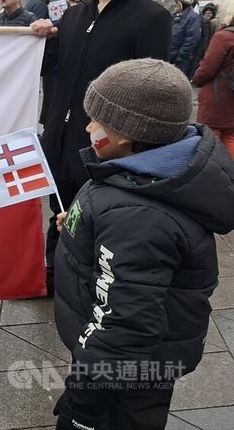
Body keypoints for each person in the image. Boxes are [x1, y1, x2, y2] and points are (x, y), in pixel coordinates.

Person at [53, 58, 234, 430]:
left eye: (96, 121)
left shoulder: (137, 216)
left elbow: (125, 320)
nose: (88, 128)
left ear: (126, 134)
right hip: (127, 360)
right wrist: (79, 226)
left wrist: (83, 403)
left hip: (119, 370)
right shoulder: (132, 174)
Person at [34, 0, 172, 297]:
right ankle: (51, 279)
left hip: (109, 143)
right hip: (60, 137)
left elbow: (151, 88)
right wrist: (35, 37)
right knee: (60, 209)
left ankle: (95, 286)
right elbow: (50, 65)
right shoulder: (76, 16)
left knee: (98, 217)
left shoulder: (151, 17)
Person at [192, 0, 234, 159]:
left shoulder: (223, 37)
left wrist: (196, 78)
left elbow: (208, 68)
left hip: (217, 97)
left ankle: (211, 176)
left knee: (210, 137)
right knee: (230, 136)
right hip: (231, 95)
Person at [170, 0, 201, 79]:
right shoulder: (176, 16)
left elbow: (192, 40)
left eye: (176, 3)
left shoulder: (192, 17)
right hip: (172, 56)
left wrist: (180, 57)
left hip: (180, 60)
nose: (174, 5)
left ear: (181, 3)